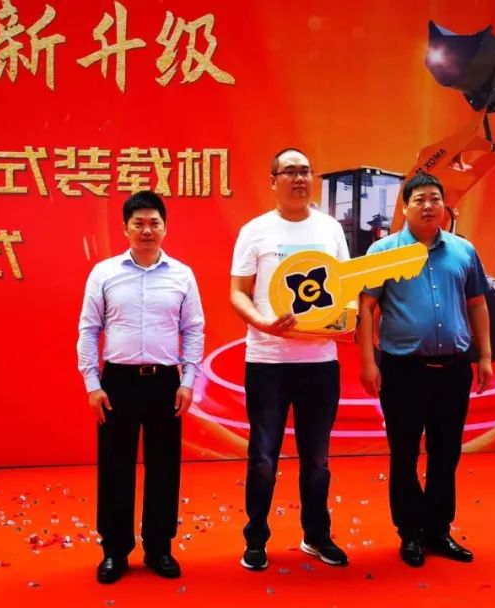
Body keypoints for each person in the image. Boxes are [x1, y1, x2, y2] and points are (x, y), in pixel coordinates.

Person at [356, 171, 493, 567]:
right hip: (403, 370)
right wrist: (368, 362)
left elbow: (477, 304)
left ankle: (438, 530)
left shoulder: (463, 251)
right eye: (419, 200)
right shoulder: (383, 252)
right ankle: (409, 532)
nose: (429, 206)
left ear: (444, 206)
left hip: (453, 369)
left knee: (445, 453)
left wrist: (484, 356)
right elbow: (366, 306)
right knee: (404, 453)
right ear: (405, 208)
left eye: (435, 199)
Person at [230, 148, 350, 570]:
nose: (299, 179)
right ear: (273, 181)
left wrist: (344, 323)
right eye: (289, 172)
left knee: (317, 457)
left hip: (320, 361)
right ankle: (255, 539)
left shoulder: (330, 229)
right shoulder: (255, 231)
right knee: (263, 456)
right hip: (268, 361)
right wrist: (263, 323)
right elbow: (237, 292)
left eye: (305, 171)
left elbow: (344, 288)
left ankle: (316, 535)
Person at [76, 190, 205, 583]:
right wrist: (92, 383)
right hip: (117, 382)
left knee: (164, 466)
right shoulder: (104, 273)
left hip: (165, 382)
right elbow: (89, 329)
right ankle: (114, 551)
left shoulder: (182, 274)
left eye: (154, 223)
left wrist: (188, 381)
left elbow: (193, 329)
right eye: (139, 223)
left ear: (165, 228)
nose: (147, 230)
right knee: (115, 466)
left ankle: (158, 548)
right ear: (125, 228)